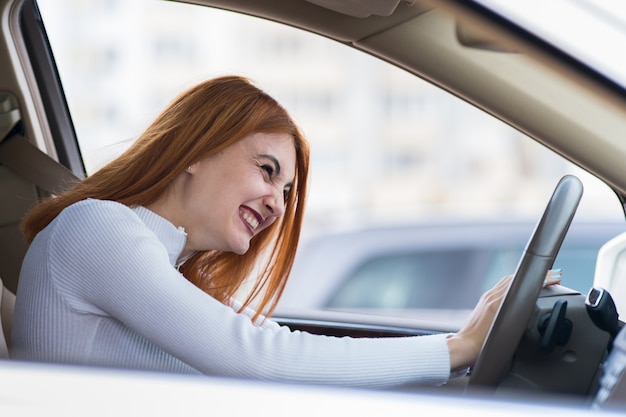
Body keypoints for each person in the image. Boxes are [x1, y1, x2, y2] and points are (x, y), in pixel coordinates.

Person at [11, 75, 561, 388]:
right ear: (196, 151)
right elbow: (261, 357)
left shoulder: (153, 258)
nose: (278, 203)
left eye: (288, 190)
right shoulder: (100, 228)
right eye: (267, 170)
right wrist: (460, 346)